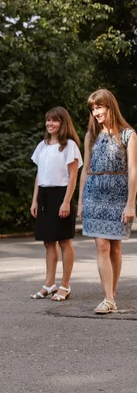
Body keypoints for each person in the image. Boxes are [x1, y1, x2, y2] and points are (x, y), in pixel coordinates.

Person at [78, 89, 137, 314]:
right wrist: (81, 201)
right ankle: (109, 298)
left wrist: (131, 203)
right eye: (93, 109)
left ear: (110, 106)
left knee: (115, 249)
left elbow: (133, 171)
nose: (95, 113)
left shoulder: (128, 135)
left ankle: (111, 293)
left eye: (99, 107)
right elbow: (85, 171)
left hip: (118, 196)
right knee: (101, 245)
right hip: (94, 194)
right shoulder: (91, 135)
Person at [29, 107, 82, 301]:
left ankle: (65, 285)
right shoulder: (42, 146)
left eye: (54, 120)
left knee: (64, 241)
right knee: (48, 241)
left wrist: (66, 201)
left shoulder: (69, 146)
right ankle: (49, 284)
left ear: (62, 122)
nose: (50, 124)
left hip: (61, 195)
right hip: (44, 195)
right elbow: (39, 175)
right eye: (48, 120)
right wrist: (35, 200)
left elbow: (73, 175)